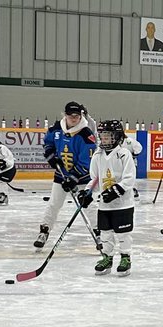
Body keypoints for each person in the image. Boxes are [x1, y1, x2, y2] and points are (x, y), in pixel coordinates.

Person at [37, 101, 97, 249]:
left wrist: (74, 177)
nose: (74, 119)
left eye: (77, 116)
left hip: (82, 177)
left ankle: (99, 232)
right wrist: (50, 155)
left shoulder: (86, 134)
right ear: (65, 115)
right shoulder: (56, 128)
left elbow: (87, 161)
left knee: (88, 205)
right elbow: (48, 143)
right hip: (61, 175)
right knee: (54, 204)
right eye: (71, 116)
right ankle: (44, 231)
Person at [79, 119, 135, 276]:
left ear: (116, 137)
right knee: (105, 233)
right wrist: (87, 192)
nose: (104, 139)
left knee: (123, 233)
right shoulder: (98, 155)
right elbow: (95, 178)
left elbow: (129, 178)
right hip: (104, 205)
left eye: (107, 136)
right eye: (102, 136)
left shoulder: (124, 154)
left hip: (123, 204)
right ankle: (107, 258)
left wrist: (116, 190)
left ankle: (125, 257)